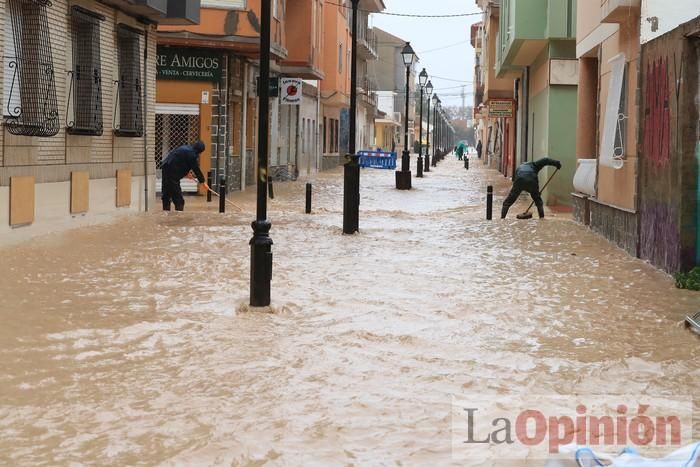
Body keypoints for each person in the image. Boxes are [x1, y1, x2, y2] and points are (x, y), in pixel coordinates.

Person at [161, 140, 208, 211]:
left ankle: (165, 216)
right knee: (179, 199)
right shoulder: (192, 154)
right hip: (172, 173)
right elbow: (196, 169)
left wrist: (186, 173)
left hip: (165, 168)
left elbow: (180, 162)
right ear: (199, 151)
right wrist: (203, 182)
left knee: (166, 195)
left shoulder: (186, 148)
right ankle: (179, 219)